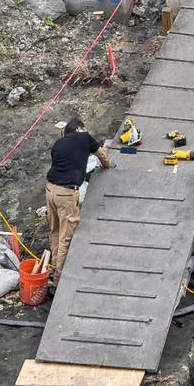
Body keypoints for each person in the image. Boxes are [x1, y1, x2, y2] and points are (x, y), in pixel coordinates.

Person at [45, 112, 111, 275]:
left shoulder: (58, 143)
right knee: (66, 237)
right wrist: (107, 166)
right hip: (66, 194)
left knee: (55, 229)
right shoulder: (85, 136)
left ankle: (54, 263)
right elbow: (101, 154)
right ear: (80, 128)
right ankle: (60, 276)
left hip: (49, 190)